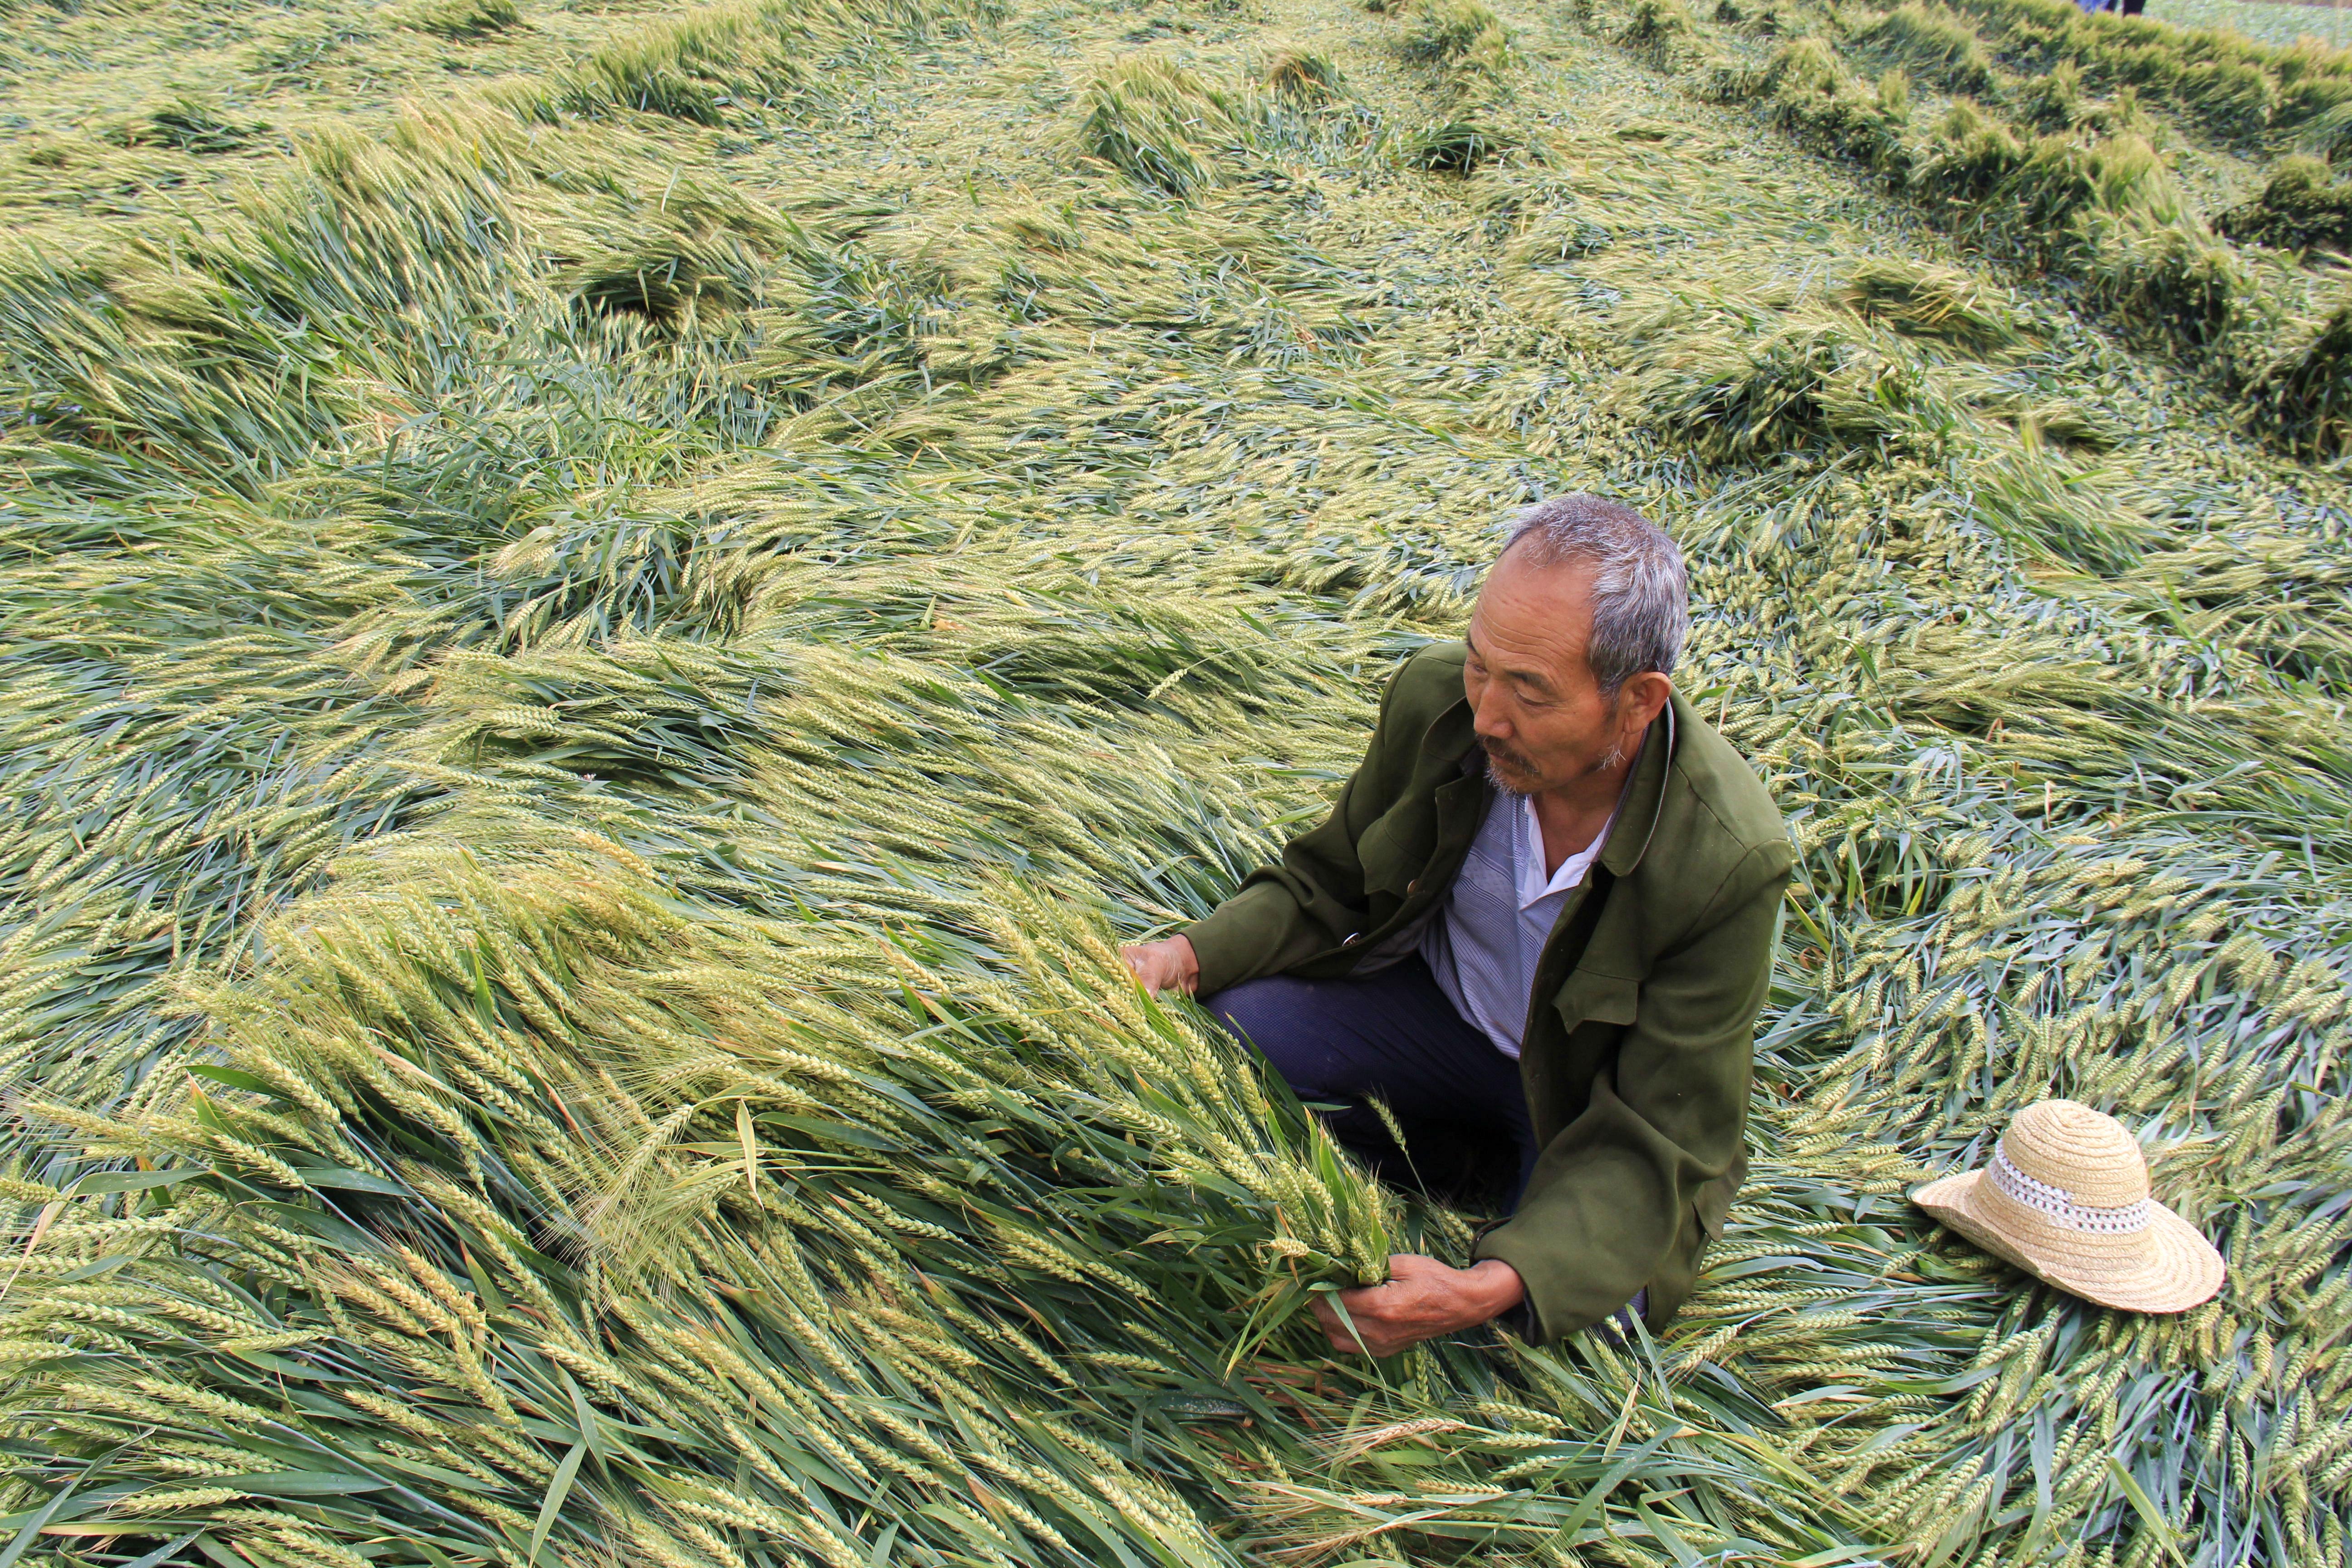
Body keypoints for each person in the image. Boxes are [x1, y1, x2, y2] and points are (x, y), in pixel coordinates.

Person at [1123, 496, 1792, 1356]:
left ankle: (1483, 1178)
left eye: (1531, 693)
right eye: (1482, 666)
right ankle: (1458, 1153)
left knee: (1587, 1320)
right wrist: (1183, 955)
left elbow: (1662, 1137)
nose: (1487, 718)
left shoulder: (1728, 857)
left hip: (1587, 1112)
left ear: (1637, 701)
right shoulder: (1438, 705)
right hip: (1436, 1018)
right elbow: (1327, 882)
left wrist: (1487, 1288)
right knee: (1236, 1035)